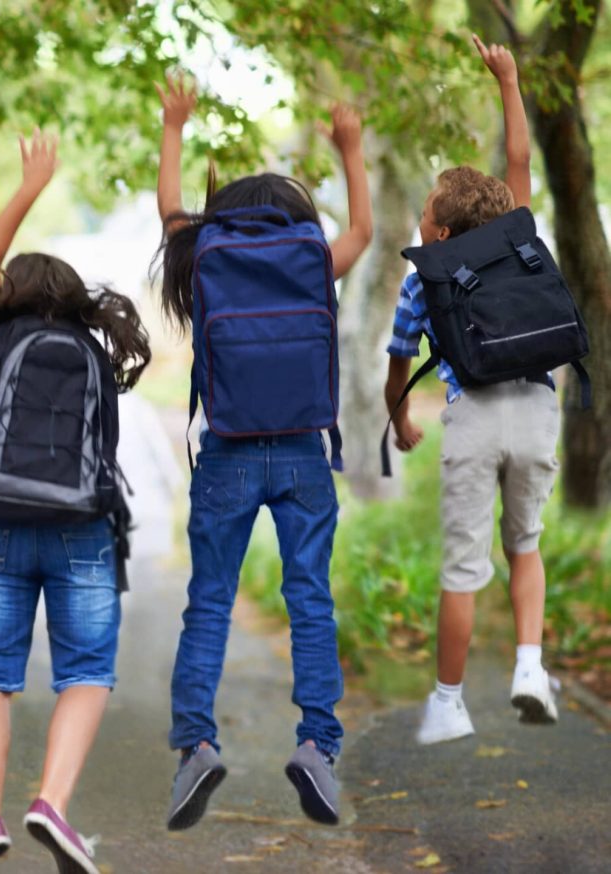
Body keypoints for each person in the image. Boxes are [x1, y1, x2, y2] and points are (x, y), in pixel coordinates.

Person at [155, 72, 372, 828]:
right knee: (308, 598)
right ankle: (317, 744)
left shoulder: (202, 257)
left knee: (207, 602)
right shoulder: (312, 256)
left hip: (228, 454)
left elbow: (168, 213)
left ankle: (195, 748)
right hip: (304, 454)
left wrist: (173, 126)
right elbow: (364, 234)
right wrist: (350, 149)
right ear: (288, 214)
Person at [0, 130, 152, 874]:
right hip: (82, 529)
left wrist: (30, 185)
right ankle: (50, 805)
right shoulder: (93, 349)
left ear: (9, 297)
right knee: (85, 671)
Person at [385, 36, 561, 745]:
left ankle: (448, 703)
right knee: (525, 543)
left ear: (443, 229)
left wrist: (398, 418)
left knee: (462, 569)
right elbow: (518, 161)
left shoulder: (422, 279)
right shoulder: (518, 241)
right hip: (537, 408)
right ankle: (528, 666)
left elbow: (398, 358)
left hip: (472, 420)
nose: (420, 223)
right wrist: (508, 80)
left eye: (426, 215)